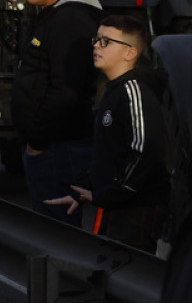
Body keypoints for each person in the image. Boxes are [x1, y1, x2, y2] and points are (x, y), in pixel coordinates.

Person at [44, 15, 170, 253]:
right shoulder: (114, 91)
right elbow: (109, 154)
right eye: (96, 39)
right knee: (106, 273)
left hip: (136, 207)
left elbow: (145, 150)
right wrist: (83, 191)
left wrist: (109, 194)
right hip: (115, 204)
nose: (96, 46)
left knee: (128, 278)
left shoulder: (134, 92)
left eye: (106, 42)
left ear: (130, 53)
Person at [13, 0, 105, 227]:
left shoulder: (69, 20)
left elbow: (65, 89)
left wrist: (37, 143)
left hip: (58, 148)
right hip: (54, 146)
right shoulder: (55, 16)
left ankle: (58, 274)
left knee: (55, 234)